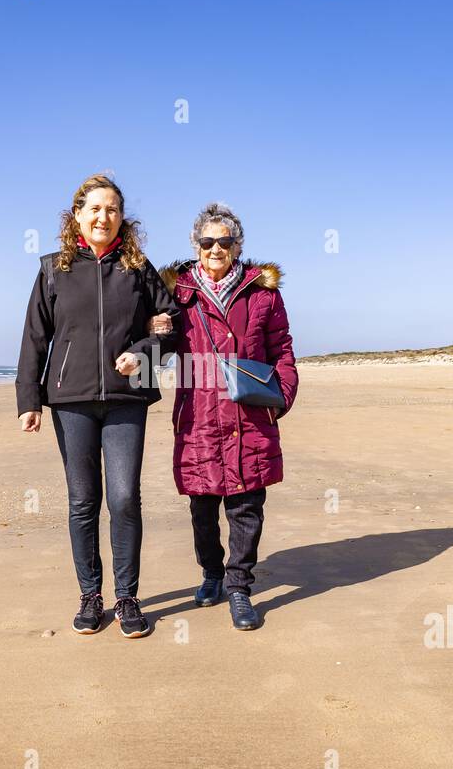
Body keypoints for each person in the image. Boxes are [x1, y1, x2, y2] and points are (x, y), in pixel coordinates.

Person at [16, 174, 179, 638]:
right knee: (83, 500)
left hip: (129, 398)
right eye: (94, 209)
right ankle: (91, 594)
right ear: (77, 216)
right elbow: (35, 337)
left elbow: (172, 328)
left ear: (122, 217)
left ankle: (128, 596)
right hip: (71, 400)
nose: (103, 217)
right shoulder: (53, 269)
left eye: (111, 209)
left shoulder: (139, 268)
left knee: (125, 498)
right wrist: (30, 398)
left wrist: (143, 353)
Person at [160, 202, 298, 630]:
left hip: (250, 416)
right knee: (202, 510)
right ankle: (211, 575)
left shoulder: (264, 293)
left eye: (224, 241)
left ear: (238, 246)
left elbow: (283, 350)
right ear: (195, 246)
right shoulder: (177, 293)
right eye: (207, 241)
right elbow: (159, 350)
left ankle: (239, 587)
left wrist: (282, 396)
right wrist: (154, 332)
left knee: (246, 508)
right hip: (198, 417)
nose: (215, 248)